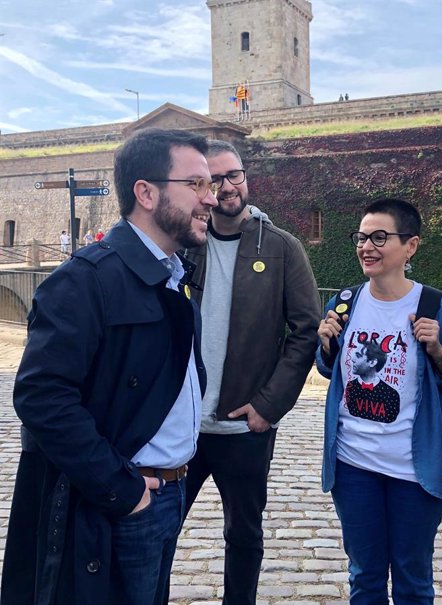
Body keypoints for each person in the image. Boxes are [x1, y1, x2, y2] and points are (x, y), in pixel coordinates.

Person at [1, 127, 218, 605]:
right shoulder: (84, 280)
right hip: (121, 503)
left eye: (213, 186)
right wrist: (123, 490)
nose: (211, 199)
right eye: (197, 185)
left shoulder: (172, 273)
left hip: (167, 493)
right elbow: (41, 397)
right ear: (146, 192)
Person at [316, 198, 442, 604]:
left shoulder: (433, 306)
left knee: (412, 578)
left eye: (379, 237)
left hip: (414, 470)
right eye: (361, 237)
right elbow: (331, 370)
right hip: (353, 465)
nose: (366, 247)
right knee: (365, 576)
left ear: (410, 246)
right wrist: (325, 347)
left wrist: (439, 352)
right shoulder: (346, 301)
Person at [180, 139, 321, 605]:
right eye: (212, 179)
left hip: (243, 425)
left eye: (233, 175)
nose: (226, 187)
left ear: (246, 176)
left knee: (244, 534)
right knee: (156, 531)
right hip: (180, 427)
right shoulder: (184, 245)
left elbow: (305, 332)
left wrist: (268, 406)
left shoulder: (281, 248)